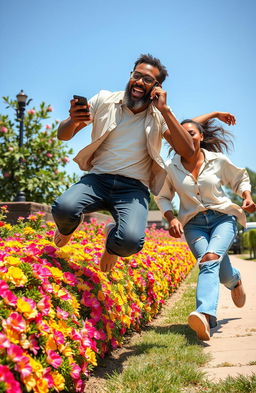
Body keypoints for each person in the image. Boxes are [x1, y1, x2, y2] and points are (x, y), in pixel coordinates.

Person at [51, 54, 195, 273]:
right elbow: (63, 135)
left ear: (157, 88)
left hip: (133, 189)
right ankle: (67, 229)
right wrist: (72, 120)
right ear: (130, 76)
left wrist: (165, 110)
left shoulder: (160, 115)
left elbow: (188, 151)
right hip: (97, 180)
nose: (139, 82)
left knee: (130, 242)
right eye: (136, 76)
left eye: (147, 80)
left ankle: (111, 243)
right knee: (64, 208)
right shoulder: (104, 100)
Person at [155, 111, 256, 340]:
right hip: (194, 224)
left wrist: (246, 196)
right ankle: (235, 280)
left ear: (200, 136)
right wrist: (171, 217)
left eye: (191, 133)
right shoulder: (171, 167)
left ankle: (205, 315)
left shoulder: (217, 160)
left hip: (223, 218)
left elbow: (239, 178)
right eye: (181, 134)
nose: (186, 137)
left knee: (209, 260)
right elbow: (162, 196)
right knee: (215, 265)